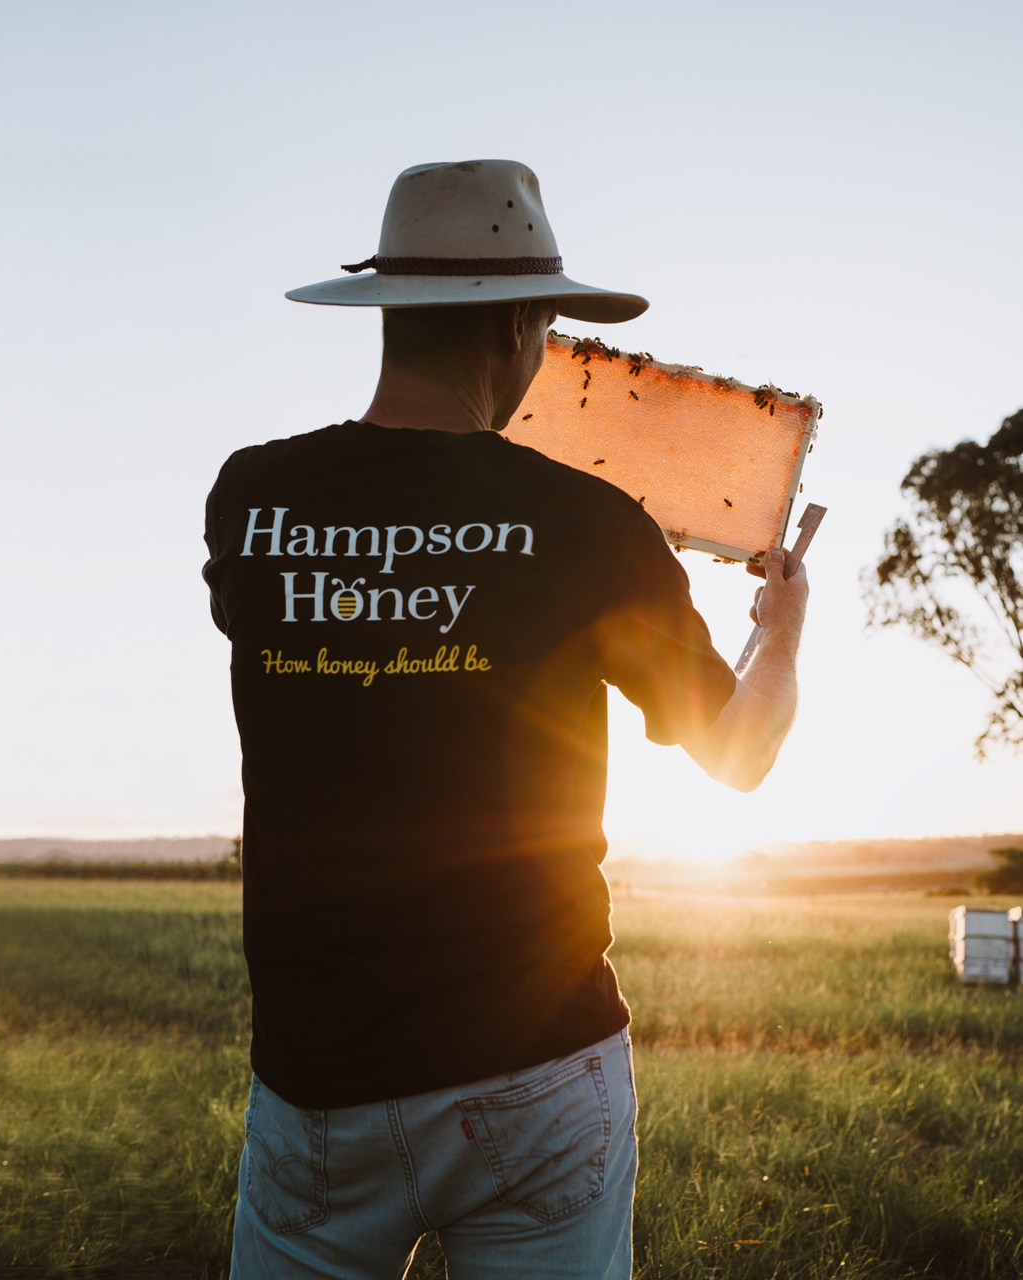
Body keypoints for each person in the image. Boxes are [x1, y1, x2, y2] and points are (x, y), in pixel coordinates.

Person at [203, 160, 808, 1280]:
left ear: (387, 309)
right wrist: (780, 628)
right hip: (538, 1071)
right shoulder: (592, 527)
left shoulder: (252, 499)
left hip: (319, 1073)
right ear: (526, 321)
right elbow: (738, 751)